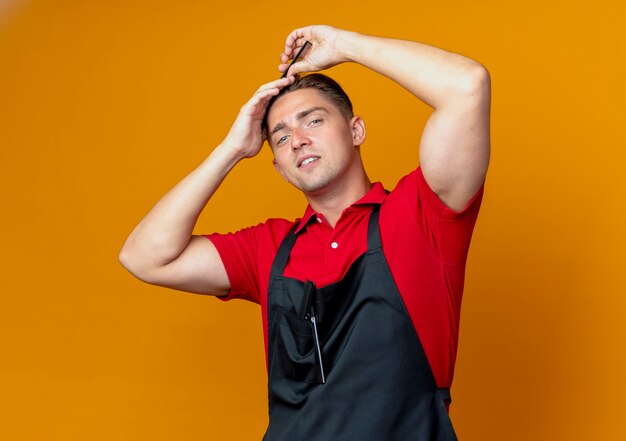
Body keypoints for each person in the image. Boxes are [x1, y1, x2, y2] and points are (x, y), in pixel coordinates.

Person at [119, 24, 490, 440]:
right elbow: (144, 256)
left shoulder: (421, 214)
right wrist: (232, 149)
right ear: (277, 165)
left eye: (312, 120)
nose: (297, 140)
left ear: (356, 131)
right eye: (280, 137)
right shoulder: (268, 248)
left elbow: (467, 86)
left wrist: (343, 47)